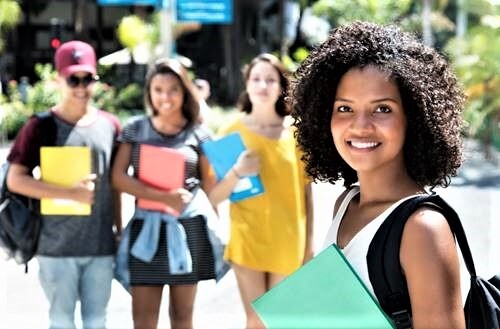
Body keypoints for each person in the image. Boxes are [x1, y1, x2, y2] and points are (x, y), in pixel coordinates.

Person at [291, 21, 466, 328]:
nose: (360, 126)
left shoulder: (423, 228)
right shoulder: (346, 203)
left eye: (382, 109)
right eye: (345, 109)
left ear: (413, 118)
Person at [6, 40, 122, 329]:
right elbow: (15, 179)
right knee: (61, 321)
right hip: (55, 247)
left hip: (100, 245)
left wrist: (119, 230)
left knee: (98, 321)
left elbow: (114, 186)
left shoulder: (111, 125)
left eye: (88, 79)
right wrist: (70, 194)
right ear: (59, 79)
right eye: (73, 79)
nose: (81, 87)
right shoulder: (40, 126)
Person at [111, 58, 221, 329]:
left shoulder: (200, 134)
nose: (165, 97)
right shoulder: (135, 129)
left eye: (173, 89)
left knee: (182, 318)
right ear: (149, 92)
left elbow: (212, 188)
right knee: (144, 320)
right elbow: (117, 178)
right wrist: (163, 197)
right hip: (145, 230)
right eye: (158, 90)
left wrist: (220, 231)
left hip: (188, 231)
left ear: (184, 91)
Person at [208, 53, 314, 329]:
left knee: (279, 321)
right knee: (256, 320)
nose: (263, 85)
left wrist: (309, 246)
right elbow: (214, 197)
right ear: (247, 85)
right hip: (248, 240)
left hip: (289, 241)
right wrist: (237, 173)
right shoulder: (230, 131)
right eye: (256, 79)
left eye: (270, 79)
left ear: (281, 86)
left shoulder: (295, 133)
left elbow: (307, 194)